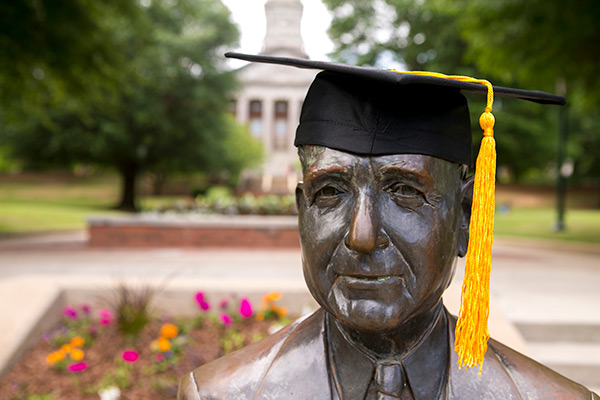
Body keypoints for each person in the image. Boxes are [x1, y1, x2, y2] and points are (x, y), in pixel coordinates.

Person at [178, 53, 598, 400]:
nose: (362, 236)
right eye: (330, 192)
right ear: (301, 212)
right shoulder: (221, 394)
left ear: (465, 217)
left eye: (405, 192)